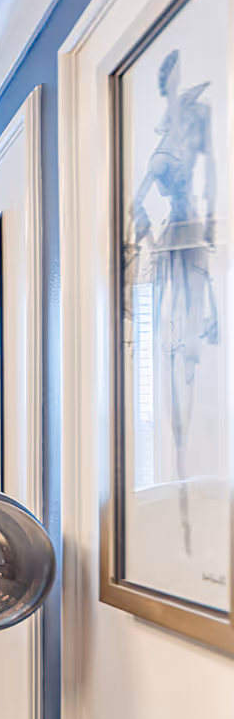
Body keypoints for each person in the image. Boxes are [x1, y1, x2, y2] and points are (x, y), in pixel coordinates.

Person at [130, 48, 220, 555]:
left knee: (193, 364)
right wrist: (144, 233)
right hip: (174, 249)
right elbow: (137, 201)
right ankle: (183, 513)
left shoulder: (190, 149)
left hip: (191, 249)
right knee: (174, 361)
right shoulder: (165, 153)